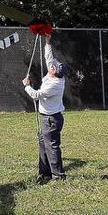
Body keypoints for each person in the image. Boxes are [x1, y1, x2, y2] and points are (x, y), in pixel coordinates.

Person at [22, 33, 68, 183]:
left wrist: (27, 86)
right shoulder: (54, 75)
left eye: (53, 66)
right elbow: (49, 58)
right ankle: (45, 173)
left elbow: (36, 95)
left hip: (51, 119)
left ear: (54, 72)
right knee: (43, 144)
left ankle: (58, 176)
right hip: (48, 118)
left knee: (52, 147)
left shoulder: (54, 85)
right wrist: (47, 41)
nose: (52, 64)